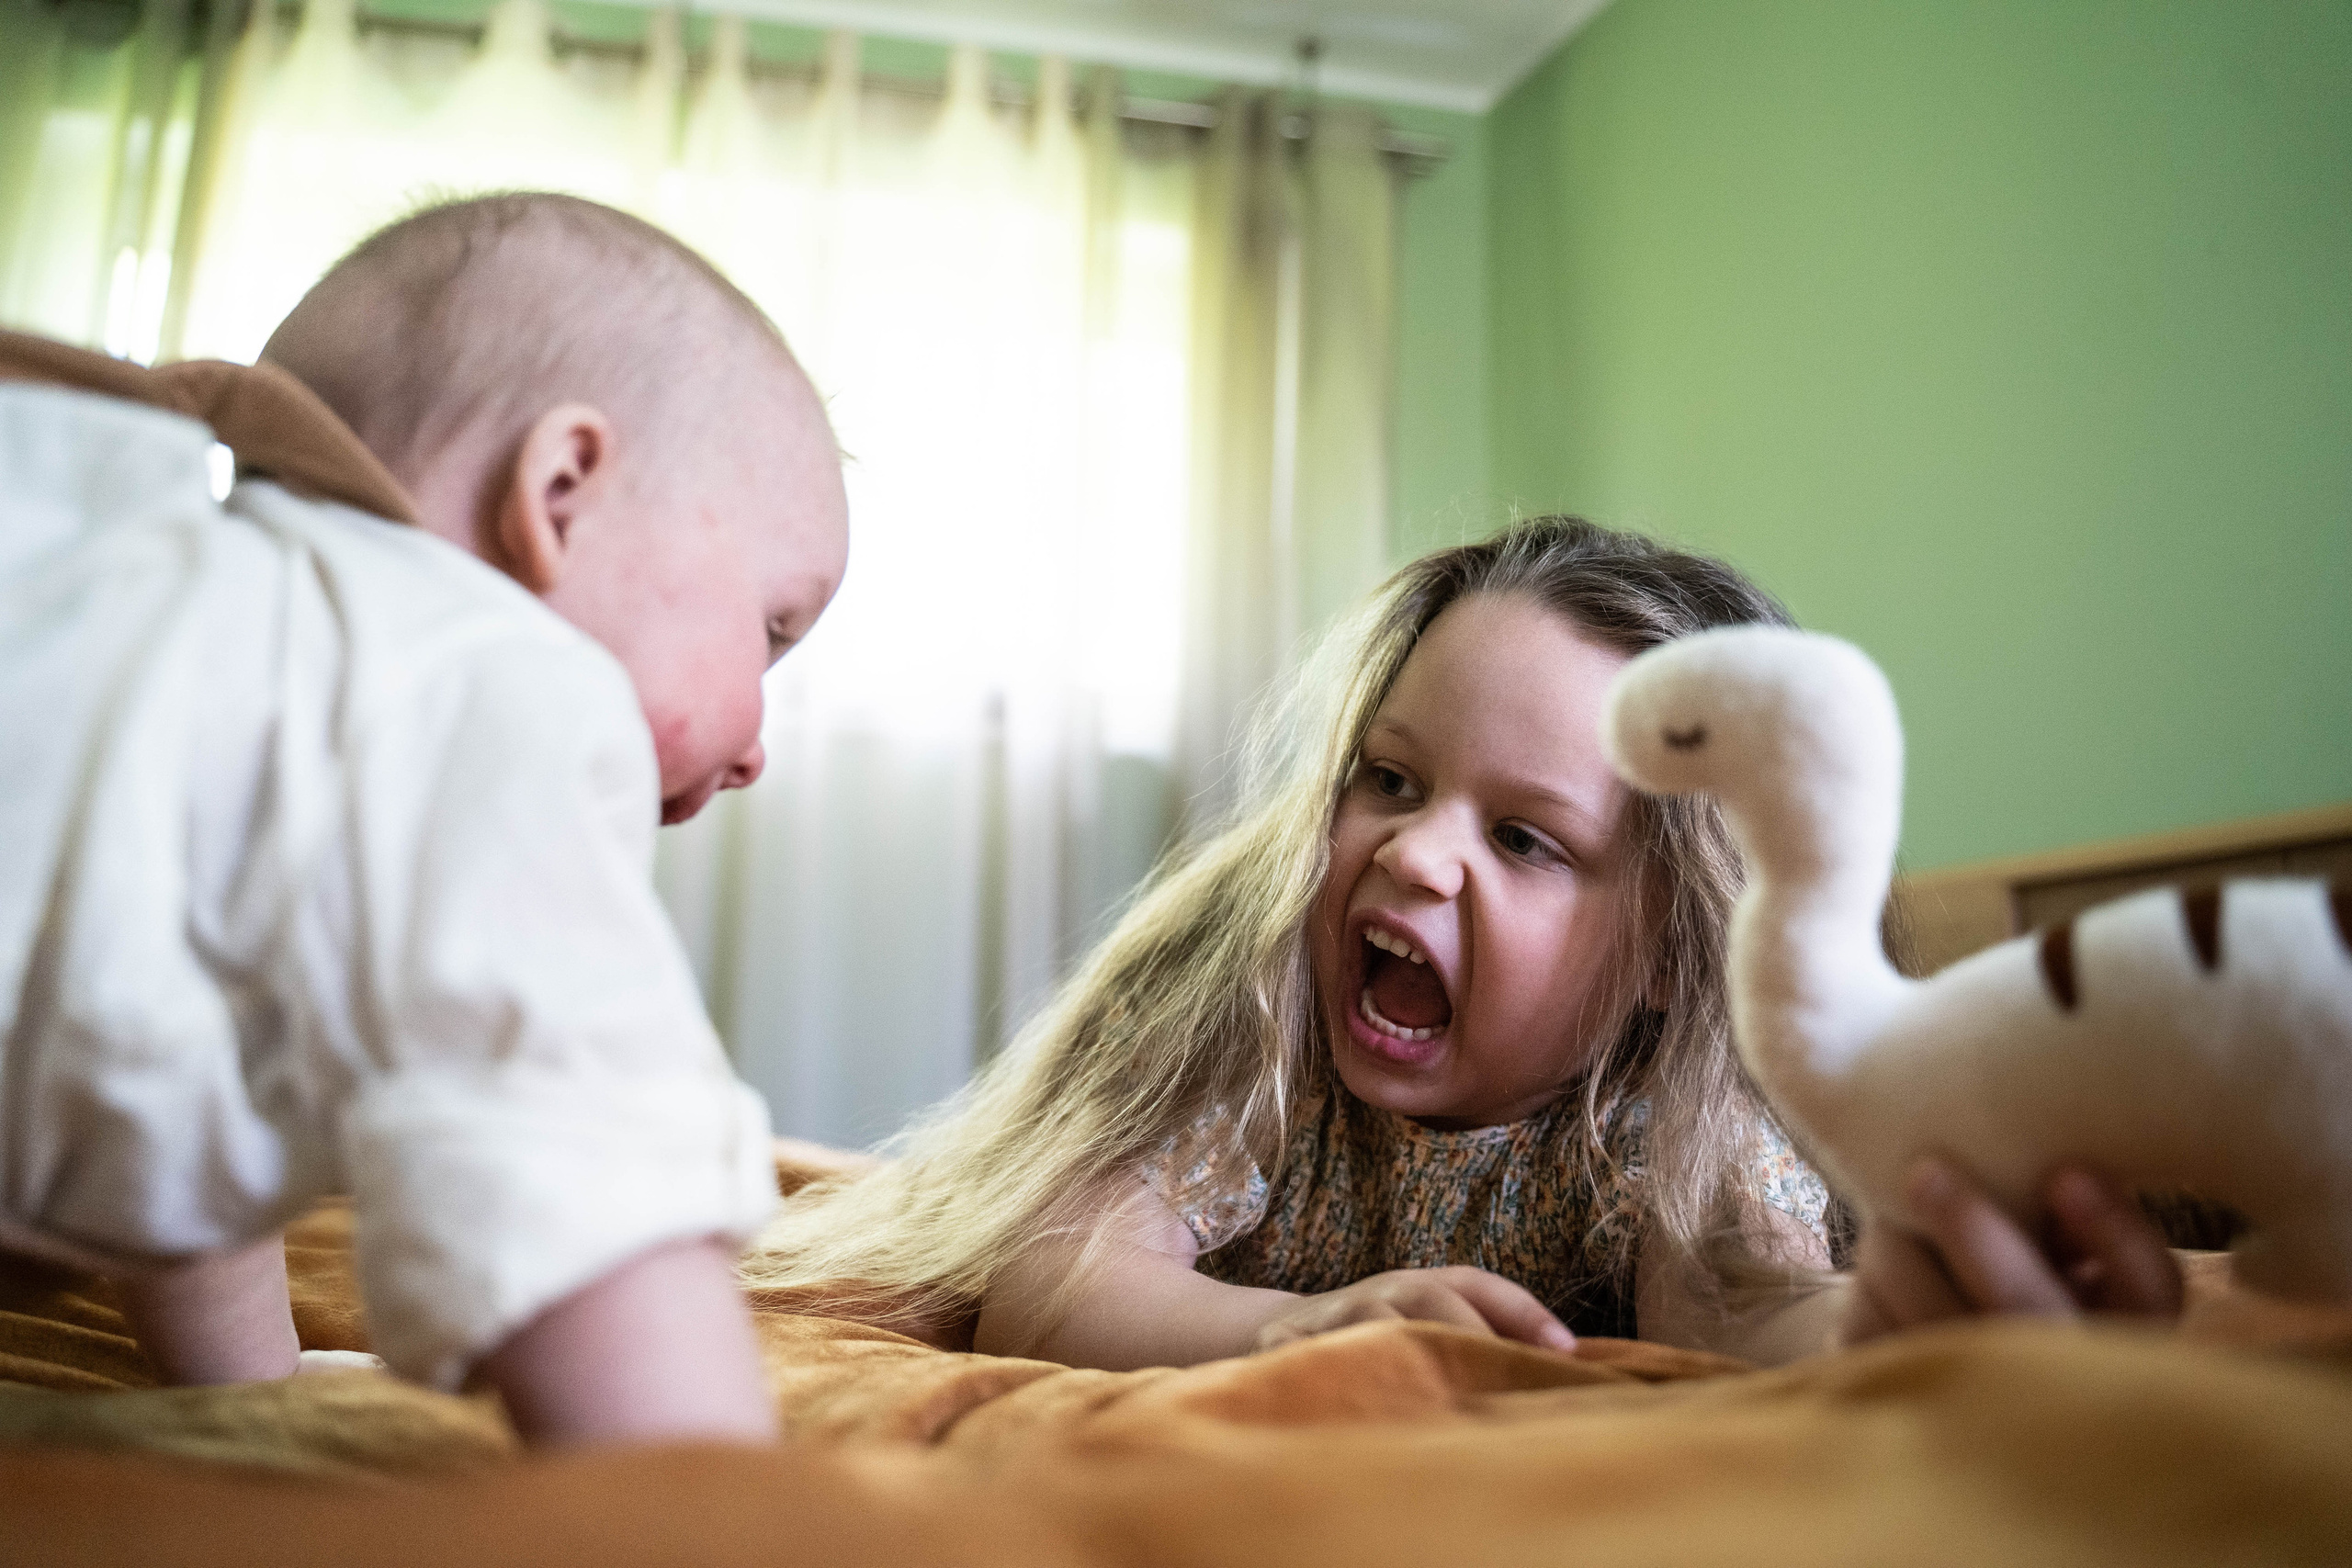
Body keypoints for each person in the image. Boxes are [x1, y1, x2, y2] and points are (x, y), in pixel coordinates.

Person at [742, 518, 2180, 1368]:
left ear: (1677, 953)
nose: (1414, 850)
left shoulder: (1668, 1124)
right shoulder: (1261, 1015)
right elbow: (1049, 1279)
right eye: (1390, 777)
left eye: (1525, 840)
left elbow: (1746, 1310)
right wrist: (1285, 1333)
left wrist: (1904, 1332)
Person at [0, 192, 848, 1444]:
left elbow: (182, 1106)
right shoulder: (489, 681)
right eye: (771, 631)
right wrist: (706, 1498)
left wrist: (246, 1391)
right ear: (560, 492)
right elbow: (584, 1170)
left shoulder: (238, 663)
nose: (757, 746)